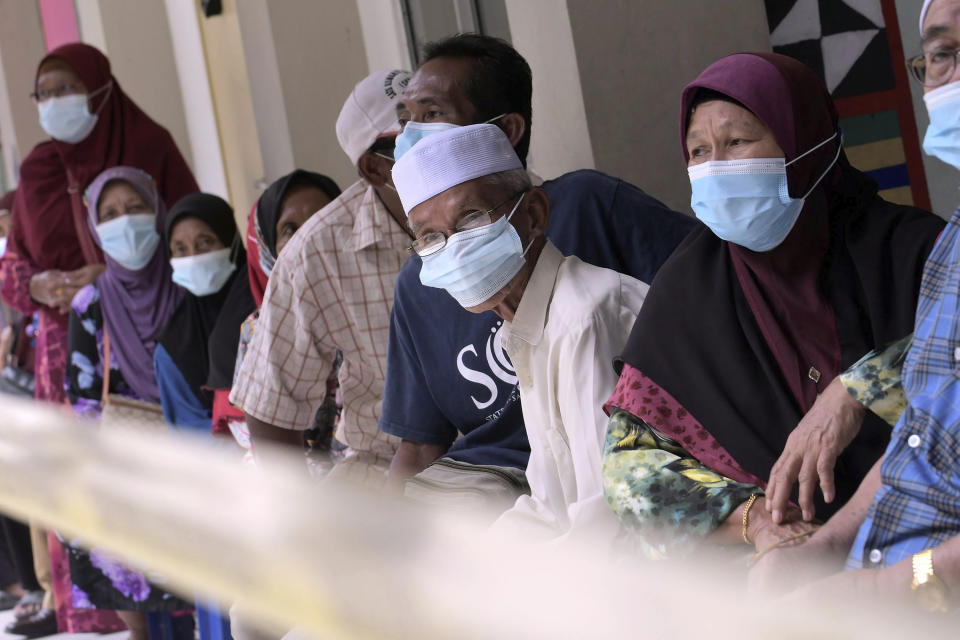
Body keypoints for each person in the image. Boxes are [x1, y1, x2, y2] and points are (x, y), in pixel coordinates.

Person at [599, 52, 945, 560]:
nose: (715, 167)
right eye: (699, 151)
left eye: (738, 142)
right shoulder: (688, 287)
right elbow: (627, 467)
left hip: (922, 547)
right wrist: (757, 520)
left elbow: (951, 350)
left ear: (807, 142)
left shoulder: (915, 250)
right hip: (778, 566)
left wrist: (855, 392)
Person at [380, 34, 695, 506]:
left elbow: (607, 508)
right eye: (429, 236)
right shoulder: (515, 330)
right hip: (490, 480)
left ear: (534, 216)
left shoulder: (582, 308)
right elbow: (427, 445)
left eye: (431, 114)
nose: (409, 137)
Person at [746, 0, 960, 610]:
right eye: (943, 55)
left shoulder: (905, 243)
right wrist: (823, 548)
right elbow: (923, 439)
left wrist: (882, 590)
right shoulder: (953, 246)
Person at [0, 44, 196, 636]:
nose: (55, 103)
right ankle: (109, 616)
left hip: (154, 324)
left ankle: (185, 605)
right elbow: (13, 263)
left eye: (67, 88)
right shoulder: (35, 169)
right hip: (66, 345)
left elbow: (192, 224)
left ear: (100, 89)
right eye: (45, 93)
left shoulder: (147, 145)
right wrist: (37, 283)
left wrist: (116, 272)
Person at [394, 123, 649, 538]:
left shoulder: (582, 318)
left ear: (534, 214)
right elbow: (549, 506)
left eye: (471, 217)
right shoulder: (529, 329)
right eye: (429, 236)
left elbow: (610, 518)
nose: (454, 247)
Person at [230, 69, 412, 484]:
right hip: (393, 478)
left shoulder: (497, 198)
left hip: (509, 462)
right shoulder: (317, 253)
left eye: (448, 126)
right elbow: (272, 412)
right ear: (375, 168)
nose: (443, 145)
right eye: (415, 137)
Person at [62, 166, 190, 640]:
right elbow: (83, 400)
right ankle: (138, 629)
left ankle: (202, 616)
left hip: (193, 436)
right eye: (111, 213)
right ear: (95, 227)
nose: (125, 221)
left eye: (135, 207)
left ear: (156, 210)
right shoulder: (90, 302)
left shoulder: (188, 279)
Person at [218, 170, 342, 464]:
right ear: (267, 248)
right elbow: (267, 446)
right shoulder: (258, 331)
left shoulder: (382, 297)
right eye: (289, 229)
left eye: (321, 217)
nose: (307, 235)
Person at [154, 193, 251, 433]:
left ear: (231, 242)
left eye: (205, 242)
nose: (194, 256)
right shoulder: (172, 348)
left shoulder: (267, 305)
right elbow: (190, 433)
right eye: (180, 249)